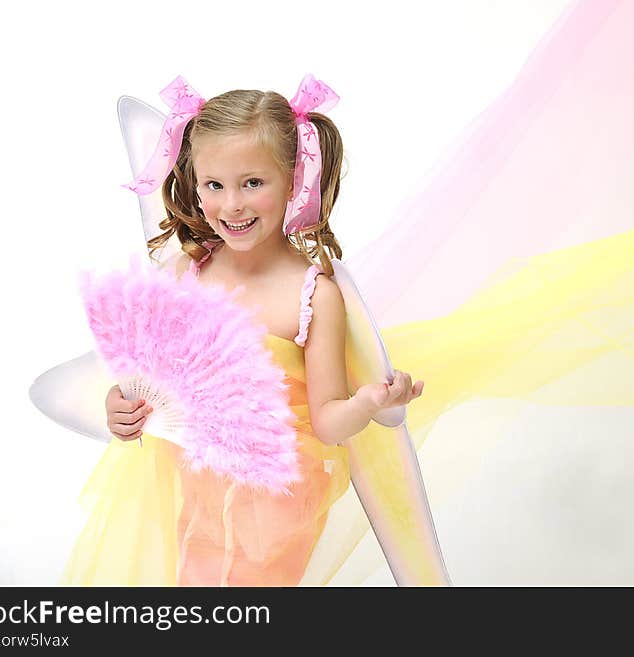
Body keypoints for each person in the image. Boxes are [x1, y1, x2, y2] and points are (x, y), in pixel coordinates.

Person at [62, 75, 427, 586]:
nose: (231, 205)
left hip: (276, 499)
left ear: (295, 180)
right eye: (214, 185)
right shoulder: (184, 274)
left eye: (252, 183)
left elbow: (326, 421)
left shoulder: (313, 297)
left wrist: (366, 404)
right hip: (194, 481)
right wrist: (121, 406)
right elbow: (148, 378)